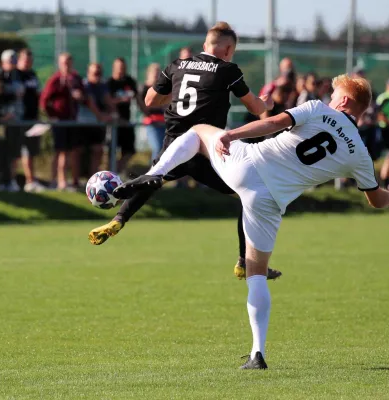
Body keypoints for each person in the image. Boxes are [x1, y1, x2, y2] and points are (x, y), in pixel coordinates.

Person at [114, 74, 389, 369]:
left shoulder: (318, 108)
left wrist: (231, 134)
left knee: (200, 130)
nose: (330, 97)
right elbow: (377, 199)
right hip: (270, 202)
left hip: (249, 164)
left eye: (334, 93)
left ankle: (156, 173)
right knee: (256, 273)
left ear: (344, 100)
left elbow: (274, 122)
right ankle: (257, 352)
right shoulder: (360, 154)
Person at [88, 21, 282, 281]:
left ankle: (119, 219)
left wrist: (175, 95)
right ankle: (243, 260)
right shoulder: (228, 70)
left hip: (173, 144)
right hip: (205, 150)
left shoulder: (177, 66)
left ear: (204, 46)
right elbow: (256, 109)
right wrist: (266, 102)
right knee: (250, 194)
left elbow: (149, 101)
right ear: (227, 50)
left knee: (153, 179)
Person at [40, 52, 84, 190]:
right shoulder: (55, 80)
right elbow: (44, 101)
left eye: (69, 62)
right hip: (60, 121)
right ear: (60, 64)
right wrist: (52, 115)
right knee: (62, 151)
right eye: (64, 62)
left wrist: (79, 96)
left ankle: (75, 180)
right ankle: (61, 181)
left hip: (73, 120)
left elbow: (84, 97)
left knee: (75, 151)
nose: (67, 65)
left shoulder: (76, 78)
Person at [77, 63, 114, 177]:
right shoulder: (85, 85)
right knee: (79, 151)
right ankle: (76, 179)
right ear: (89, 73)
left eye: (99, 73)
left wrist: (113, 113)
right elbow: (90, 102)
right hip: (83, 123)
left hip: (97, 124)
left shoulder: (102, 86)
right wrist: (101, 116)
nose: (97, 75)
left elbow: (109, 101)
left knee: (98, 150)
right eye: (95, 73)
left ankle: (93, 179)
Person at [16, 48, 45, 193]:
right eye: (25, 59)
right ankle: (22, 181)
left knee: (31, 151)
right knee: (20, 151)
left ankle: (31, 180)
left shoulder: (32, 75)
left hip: (33, 119)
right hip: (20, 119)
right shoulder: (16, 75)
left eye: (30, 60)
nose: (28, 62)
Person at [107, 58, 141, 173]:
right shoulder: (109, 83)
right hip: (113, 123)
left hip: (126, 121)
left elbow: (138, 99)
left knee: (130, 151)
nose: (121, 70)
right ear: (114, 68)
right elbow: (108, 102)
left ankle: (114, 172)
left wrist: (147, 113)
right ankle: (110, 174)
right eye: (119, 67)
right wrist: (120, 100)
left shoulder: (130, 81)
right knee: (112, 152)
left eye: (123, 67)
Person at [0, 49, 25, 192]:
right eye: (10, 61)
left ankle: (12, 180)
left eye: (15, 61)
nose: (13, 64)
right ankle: (2, 181)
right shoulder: (0, 76)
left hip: (17, 120)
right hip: (4, 122)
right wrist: (14, 95)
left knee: (15, 153)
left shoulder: (19, 76)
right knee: (3, 152)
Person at [141, 63, 167, 161]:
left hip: (163, 122)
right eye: (154, 73)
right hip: (152, 123)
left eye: (158, 73)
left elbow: (166, 105)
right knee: (157, 148)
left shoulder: (163, 88)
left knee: (164, 149)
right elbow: (146, 106)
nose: (156, 75)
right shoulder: (144, 88)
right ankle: (153, 173)